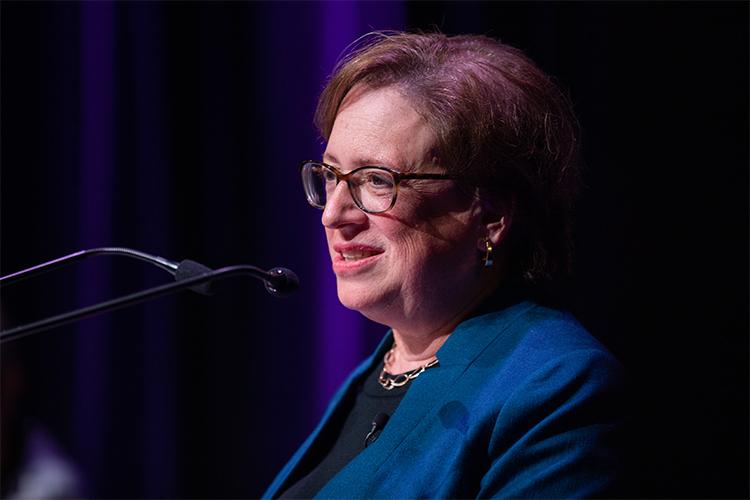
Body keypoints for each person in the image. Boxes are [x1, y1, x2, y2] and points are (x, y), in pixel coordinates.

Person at [264, 31, 625, 499]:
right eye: (331, 176)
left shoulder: (555, 384)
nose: (334, 215)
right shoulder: (379, 369)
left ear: (490, 214)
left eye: (376, 180)